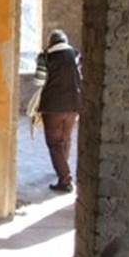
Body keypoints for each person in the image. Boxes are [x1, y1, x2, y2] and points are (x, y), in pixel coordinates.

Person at [33, 29, 82, 193]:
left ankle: (65, 179)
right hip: (74, 104)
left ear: (51, 42)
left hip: (53, 105)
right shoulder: (75, 55)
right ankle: (63, 169)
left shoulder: (46, 56)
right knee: (66, 138)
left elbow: (38, 80)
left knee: (54, 142)